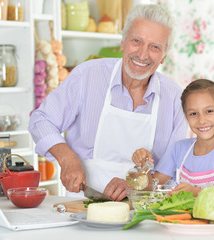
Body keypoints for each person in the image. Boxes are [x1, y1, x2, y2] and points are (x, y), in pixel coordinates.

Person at [28, 4, 188, 200]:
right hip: (83, 205)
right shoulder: (88, 76)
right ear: (123, 42)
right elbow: (41, 120)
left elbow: (173, 166)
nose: (143, 54)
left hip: (145, 212)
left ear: (163, 56)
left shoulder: (176, 100)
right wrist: (67, 158)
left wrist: (137, 187)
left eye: (155, 47)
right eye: (136, 41)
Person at [132, 79, 214, 196]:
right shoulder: (179, 148)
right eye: (193, 114)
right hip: (183, 215)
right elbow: (151, 190)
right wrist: (144, 165)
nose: (202, 120)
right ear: (186, 115)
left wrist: (194, 192)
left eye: (209, 111)